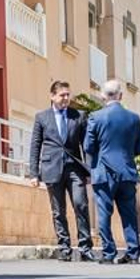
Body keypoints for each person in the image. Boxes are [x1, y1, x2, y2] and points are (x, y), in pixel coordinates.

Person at [27, 80, 94, 262]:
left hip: (74, 169)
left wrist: (88, 170)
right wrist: (34, 173)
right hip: (51, 169)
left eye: (67, 95)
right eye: (62, 95)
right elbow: (35, 146)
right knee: (58, 211)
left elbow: (86, 146)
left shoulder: (78, 116)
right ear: (52, 96)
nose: (66, 98)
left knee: (81, 205)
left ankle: (85, 247)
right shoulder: (42, 117)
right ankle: (64, 248)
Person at [83, 79, 140, 264]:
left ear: (103, 96)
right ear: (121, 95)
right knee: (129, 214)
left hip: (104, 172)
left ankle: (109, 252)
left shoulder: (96, 117)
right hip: (127, 171)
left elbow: (88, 146)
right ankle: (133, 253)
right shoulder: (134, 118)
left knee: (104, 213)